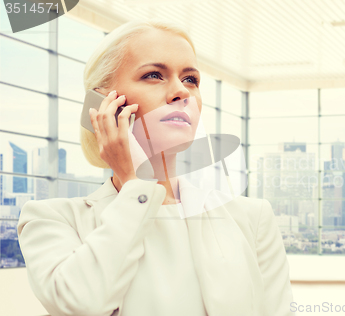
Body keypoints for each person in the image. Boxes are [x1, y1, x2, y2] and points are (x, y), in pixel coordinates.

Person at [17, 18, 295, 316]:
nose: (182, 92)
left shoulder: (252, 219)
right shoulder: (53, 220)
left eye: (191, 79)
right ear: (103, 104)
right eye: (153, 75)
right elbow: (81, 304)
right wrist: (135, 186)